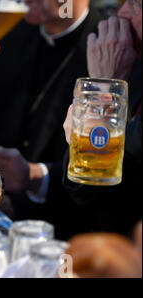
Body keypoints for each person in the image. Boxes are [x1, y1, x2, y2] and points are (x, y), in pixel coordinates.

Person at [0, 0, 101, 239]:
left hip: (59, 236)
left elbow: (99, 184)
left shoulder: (107, 47)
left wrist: (32, 181)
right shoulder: (8, 35)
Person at [62, 0, 142, 236]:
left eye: (136, 5)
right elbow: (80, 187)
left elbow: (93, 183)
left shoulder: (119, 70)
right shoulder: (133, 64)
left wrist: (106, 86)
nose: (123, 14)